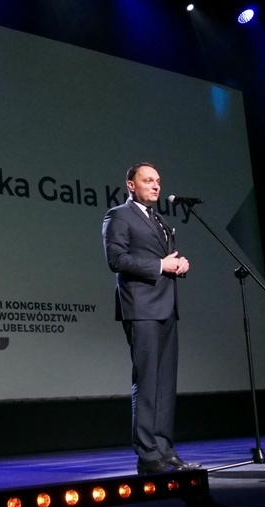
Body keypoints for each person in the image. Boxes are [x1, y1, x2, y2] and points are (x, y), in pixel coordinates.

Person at [102, 162, 201, 474]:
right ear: (131, 185)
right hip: (141, 307)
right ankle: (147, 455)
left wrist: (179, 264)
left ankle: (165, 449)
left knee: (165, 384)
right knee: (147, 382)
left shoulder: (159, 219)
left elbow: (166, 259)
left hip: (167, 306)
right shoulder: (118, 215)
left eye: (158, 181)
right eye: (148, 180)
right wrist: (160, 266)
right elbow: (116, 259)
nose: (156, 186)